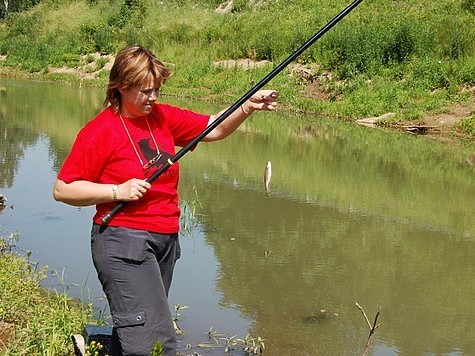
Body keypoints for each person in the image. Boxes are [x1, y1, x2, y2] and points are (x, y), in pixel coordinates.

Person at [53, 44, 278, 356]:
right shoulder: (100, 131)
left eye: (157, 89)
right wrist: (117, 191)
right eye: (146, 91)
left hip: (164, 241)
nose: (154, 97)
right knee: (157, 343)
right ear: (121, 87)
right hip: (123, 243)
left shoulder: (161, 117)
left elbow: (212, 129)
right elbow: (63, 189)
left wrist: (248, 106)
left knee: (134, 334)